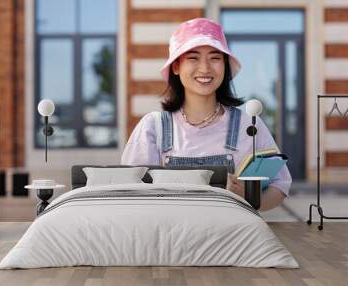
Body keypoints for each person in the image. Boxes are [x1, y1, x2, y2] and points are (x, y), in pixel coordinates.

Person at [121, 18, 292, 211]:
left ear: (225, 66)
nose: (205, 68)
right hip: (173, 237)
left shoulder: (249, 125)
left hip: (231, 236)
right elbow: (134, 193)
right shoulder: (153, 126)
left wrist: (249, 199)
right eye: (193, 58)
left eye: (215, 58)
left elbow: (280, 184)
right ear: (176, 66)